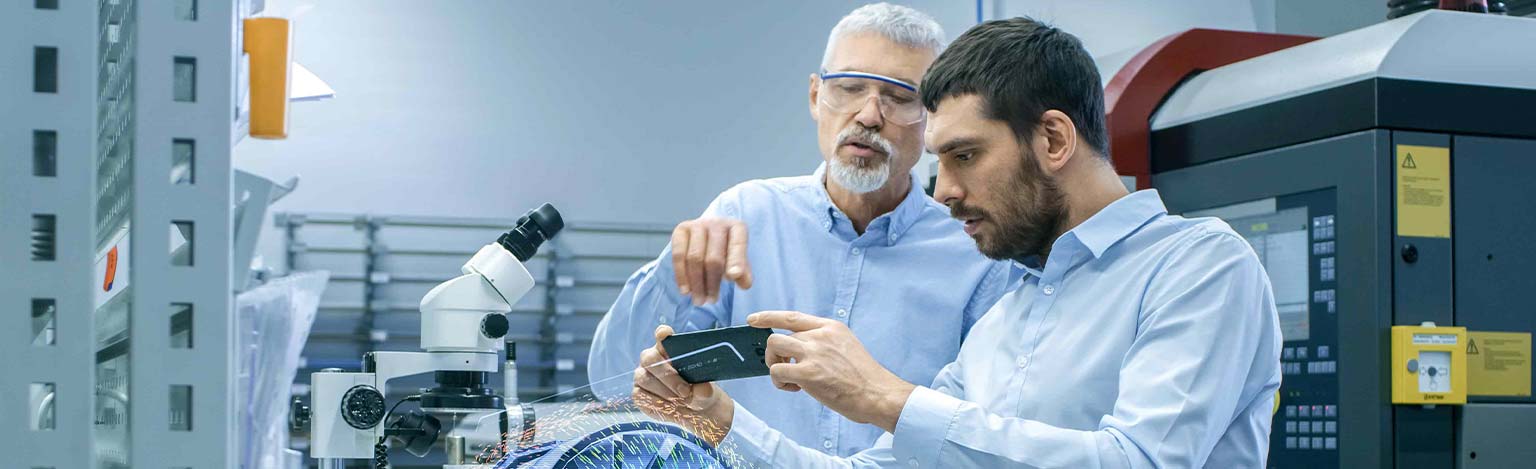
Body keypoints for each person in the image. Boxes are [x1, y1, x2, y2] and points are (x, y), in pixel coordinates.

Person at [633, 16, 1283, 468]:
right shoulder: (1006, 315)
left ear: (1053, 140)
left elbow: (1137, 460)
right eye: (938, 164)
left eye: (965, 155)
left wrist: (886, 397)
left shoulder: (1199, 266)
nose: (942, 192)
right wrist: (720, 419)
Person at [587, 3, 1013, 457]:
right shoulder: (744, 216)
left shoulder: (973, 254)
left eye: (901, 97)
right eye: (849, 87)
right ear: (816, 97)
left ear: (932, 118)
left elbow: (975, 433)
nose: (869, 115)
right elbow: (611, 378)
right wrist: (671, 275)